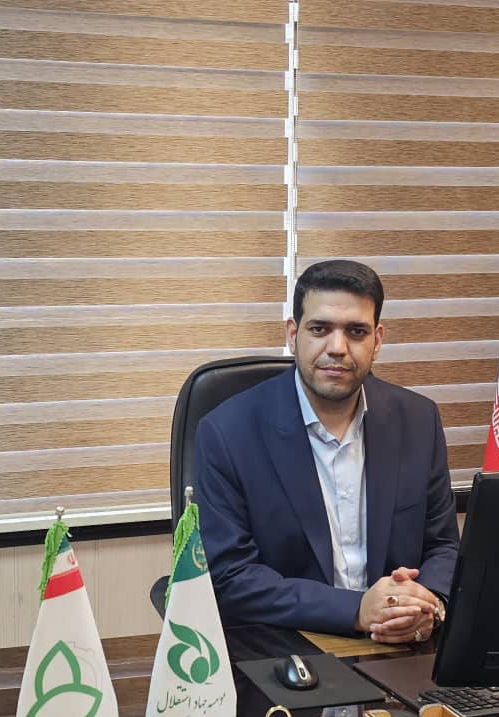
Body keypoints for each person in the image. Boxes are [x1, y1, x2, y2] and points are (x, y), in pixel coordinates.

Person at [195, 259, 459, 644]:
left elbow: (443, 545)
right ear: (293, 334)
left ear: (377, 340)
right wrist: (356, 610)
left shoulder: (418, 420)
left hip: (401, 643)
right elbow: (231, 576)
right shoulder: (226, 433)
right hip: (289, 646)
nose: (337, 348)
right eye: (320, 329)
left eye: (356, 331)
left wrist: (427, 605)